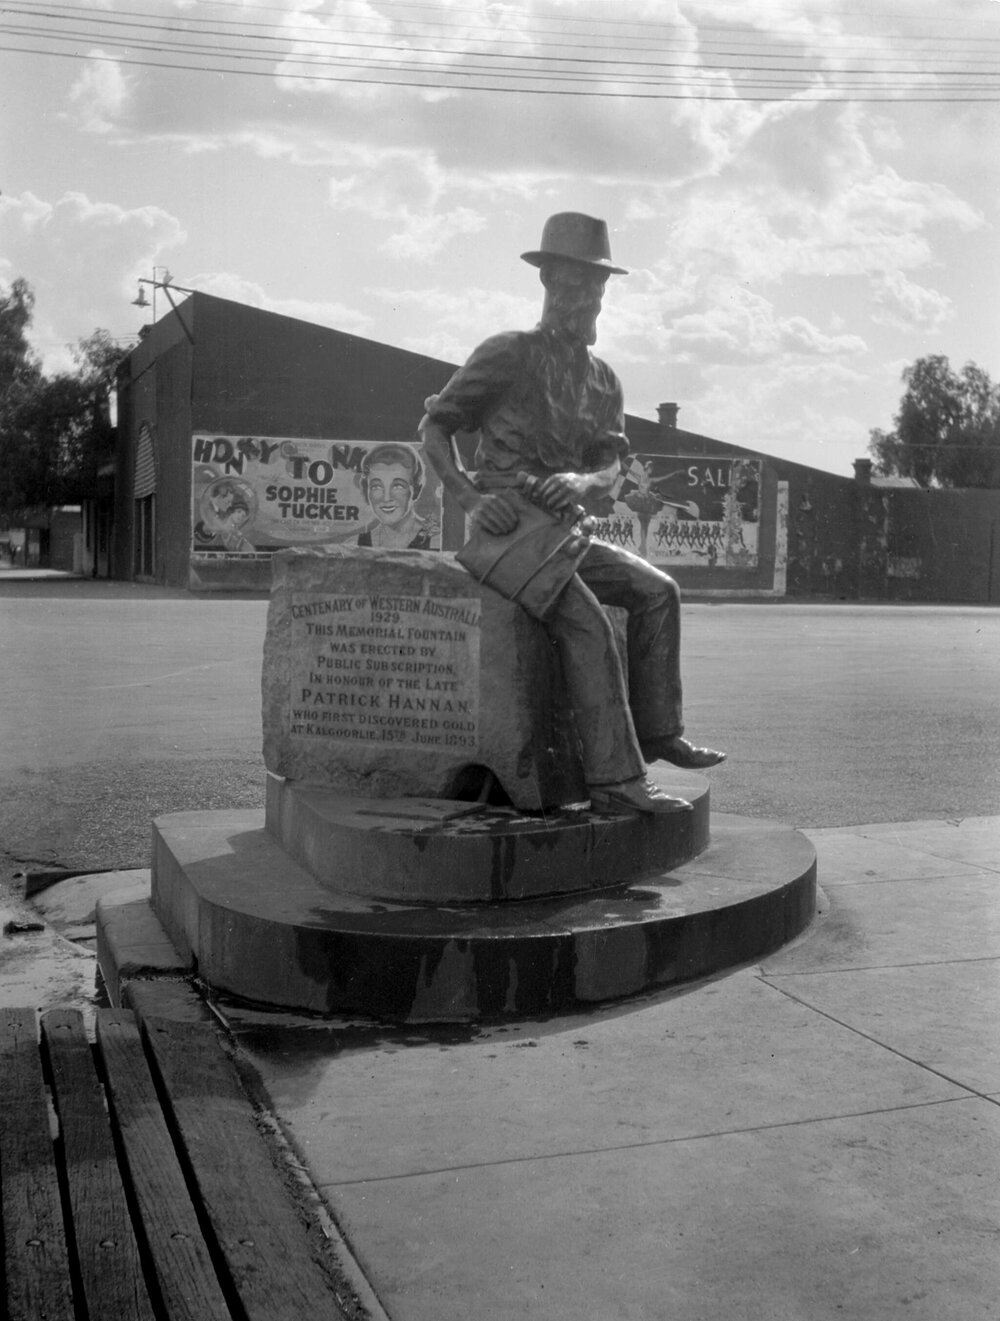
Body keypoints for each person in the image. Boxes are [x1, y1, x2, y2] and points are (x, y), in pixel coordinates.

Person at [419, 212, 724, 814]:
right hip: (506, 527)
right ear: (548, 281)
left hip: (563, 531)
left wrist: (582, 482)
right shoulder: (507, 354)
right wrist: (471, 498)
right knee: (586, 625)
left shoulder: (603, 381)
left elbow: (611, 465)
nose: (588, 298)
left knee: (658, 591)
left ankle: (657, 734)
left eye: (597, 286)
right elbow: (435, 427)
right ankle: (617, 784)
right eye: (576, 283)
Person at [356, 443, 435, 549]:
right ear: (367, 491)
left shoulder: (436, 540)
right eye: (376, 487)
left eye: (398, 486)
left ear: (416, 490)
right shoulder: (354, 544)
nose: (386, 498)